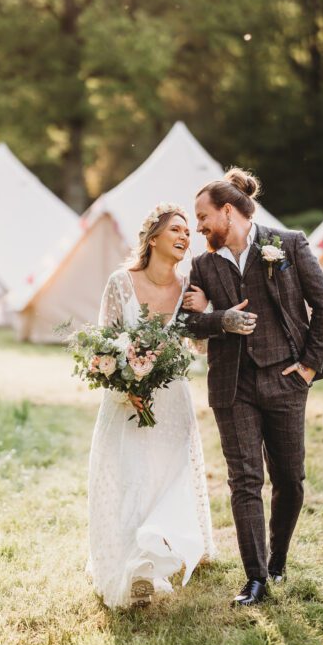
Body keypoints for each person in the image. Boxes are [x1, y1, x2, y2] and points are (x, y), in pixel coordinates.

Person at [182, 169, 323, 606]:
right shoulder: (203, 264)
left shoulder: (287, 244)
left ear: (228, 211)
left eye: (203, 216)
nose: (198, 227)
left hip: (287, 380)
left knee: (289, 478)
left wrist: (309, 365)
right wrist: (218, 319)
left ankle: (278, 561)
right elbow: (187, 321)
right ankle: (255, 580)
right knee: (244, 480)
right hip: (232, 387)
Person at [87, 203, 216, 609]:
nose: (184, 237)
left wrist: (203, 312)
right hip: (126, 399)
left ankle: (161, 549)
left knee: (169, 475)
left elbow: (198, 347)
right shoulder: (120, 283)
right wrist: (125, 381)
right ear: (154, 238)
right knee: (133, 475)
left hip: (172, 398)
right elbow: (104, 343)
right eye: (175, 229)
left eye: (187, 233)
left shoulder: (188, 289)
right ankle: (138, 568)